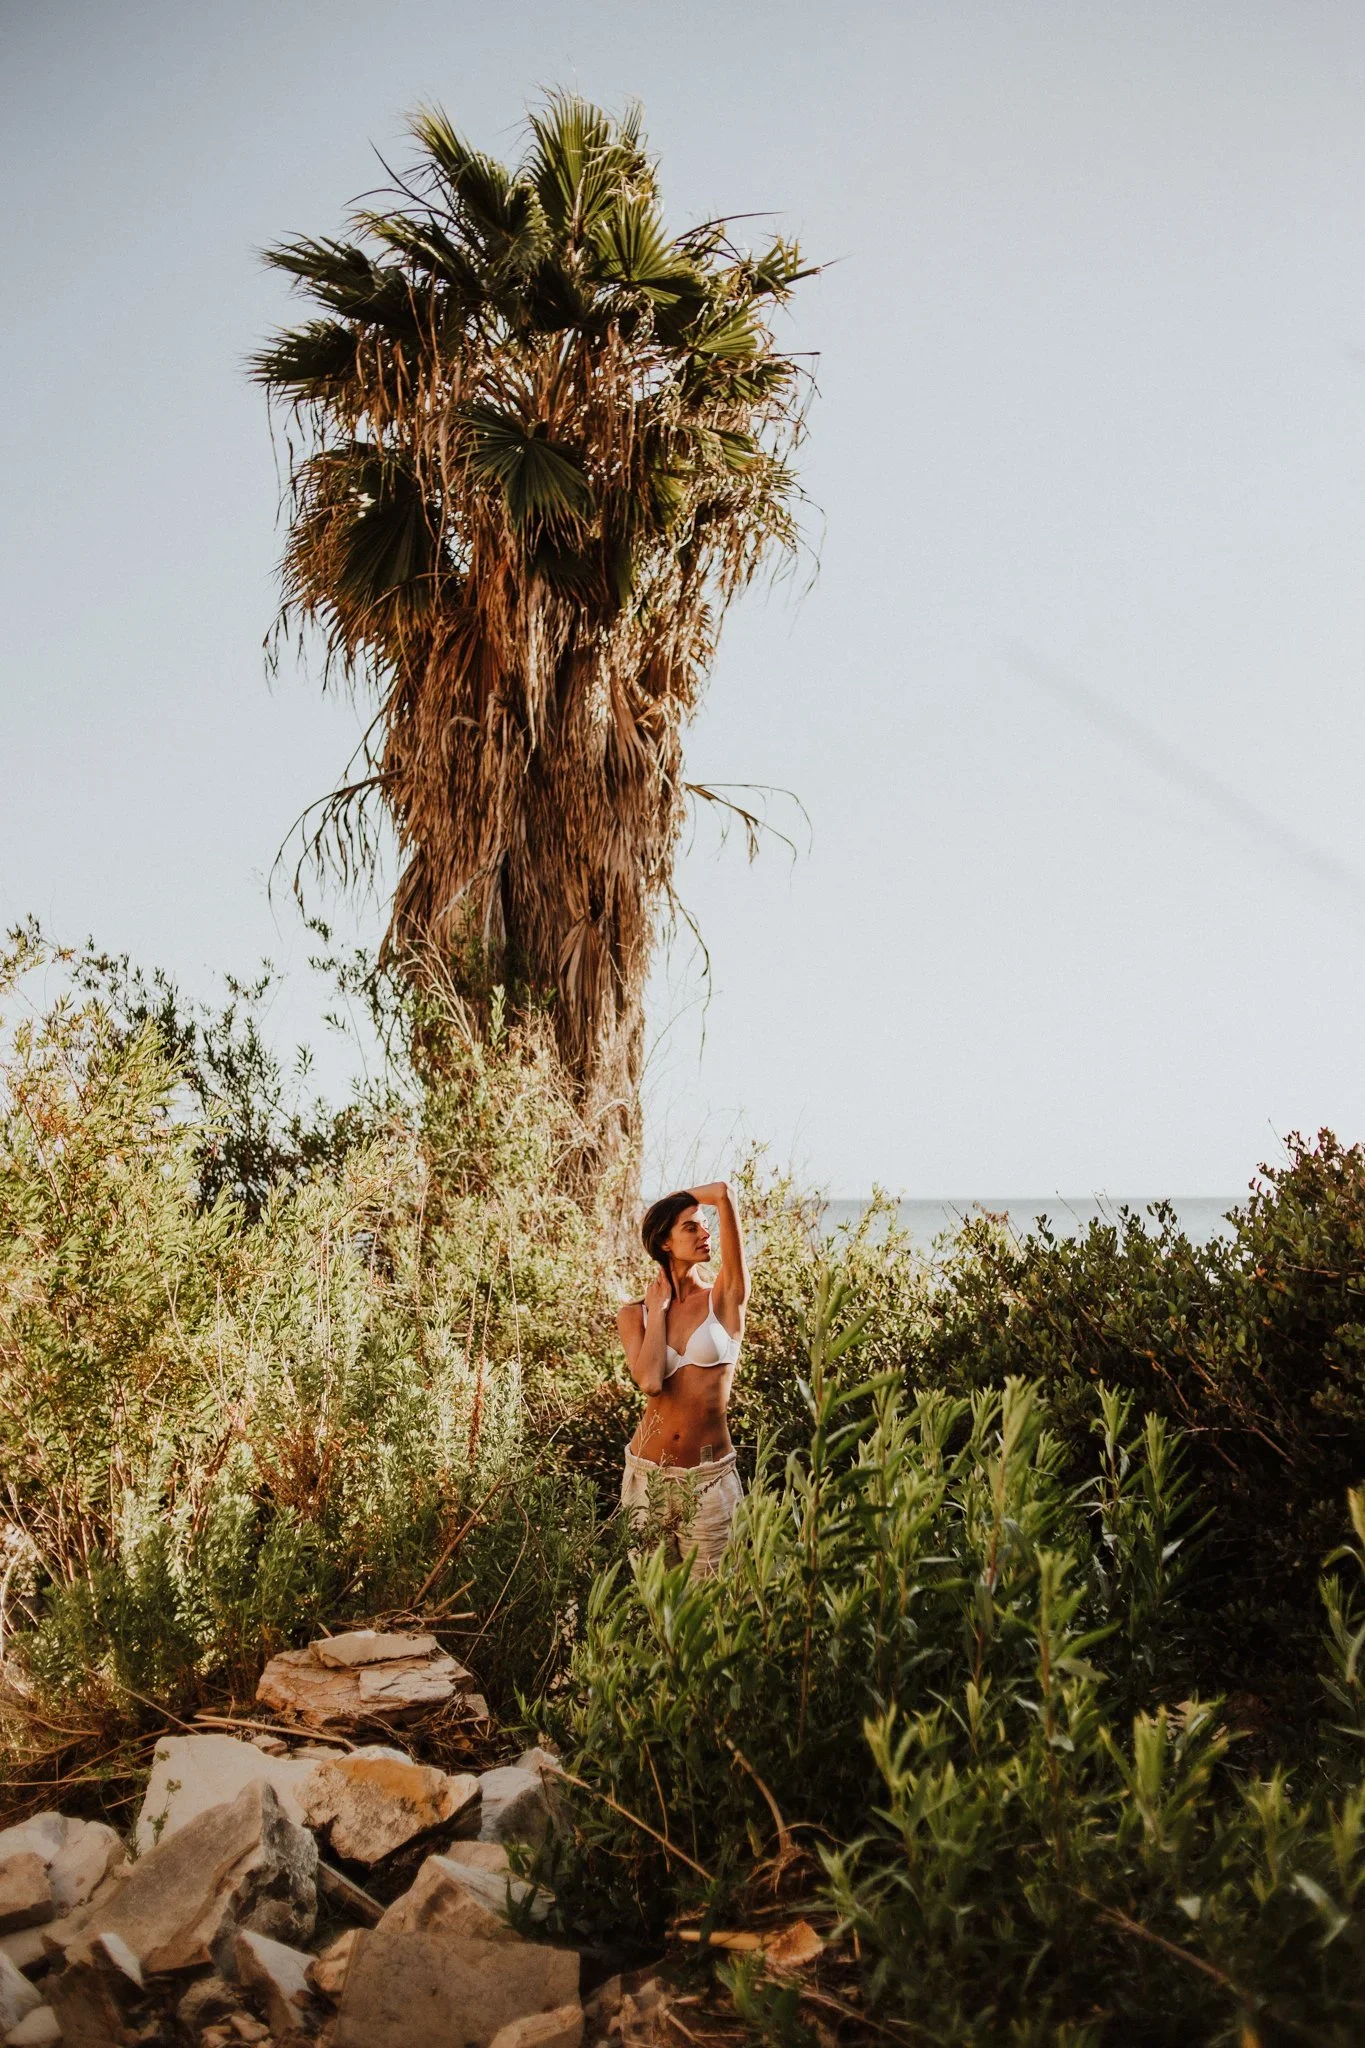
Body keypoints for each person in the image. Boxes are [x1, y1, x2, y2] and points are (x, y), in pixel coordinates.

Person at [616, 1180, 750, 1576]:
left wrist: (686, 1200)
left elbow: (724, 1193)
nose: (704, 1233)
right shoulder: (634, 1316)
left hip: (708, 1482)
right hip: (645, 1478)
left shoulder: (724, 1297)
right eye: (690, 1227)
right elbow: (651, 1381)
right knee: (655, 1600)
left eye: (704, 1224)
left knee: (714, 1609)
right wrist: (657, 1311)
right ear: (664, 1244)